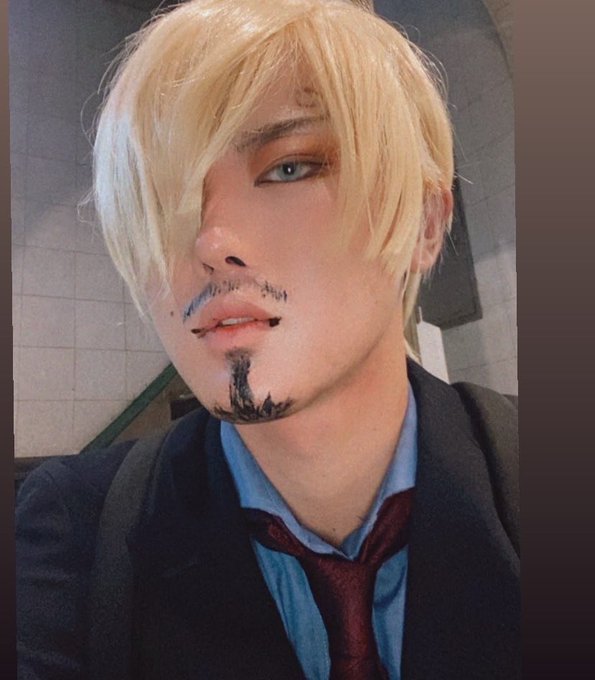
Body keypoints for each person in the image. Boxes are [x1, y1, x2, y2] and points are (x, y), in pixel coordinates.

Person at [16, 1, 520, 678]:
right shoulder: (75, 534)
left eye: (290, 168)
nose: (209, 242)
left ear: (425, 222)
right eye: (162, 197)